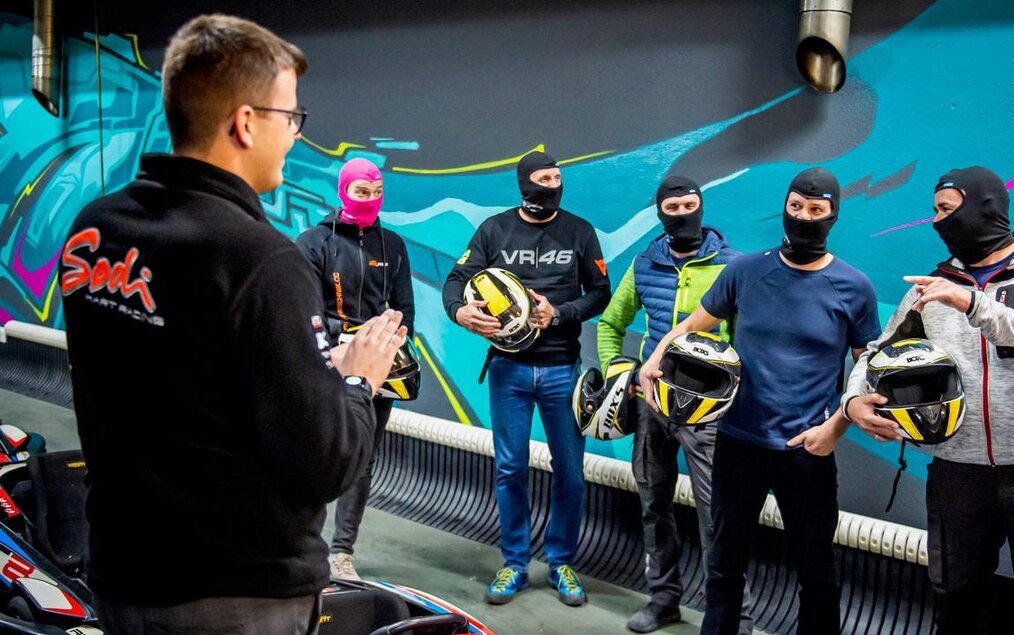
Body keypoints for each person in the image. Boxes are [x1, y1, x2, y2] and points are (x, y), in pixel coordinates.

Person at [59, 15, 405, 635]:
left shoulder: (96, 228)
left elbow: (185, 375)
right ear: (246, 123)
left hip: (121, 573)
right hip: (233, 595)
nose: (295, 136)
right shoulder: (260, 260)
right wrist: (356, 379)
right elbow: (328, 462)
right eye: (291, 118)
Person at [842, 166, 1014, 635]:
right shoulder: (933, 285)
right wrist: (854, 400)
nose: (936, 221)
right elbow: (878, 354)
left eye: (945, 209)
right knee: (956, 599)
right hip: (957, 471)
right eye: (935, 211)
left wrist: (975, 305)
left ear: (986, 206)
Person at [640, 167, 880, 635]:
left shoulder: (854, 287)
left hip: (808, 448)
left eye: (816, 210)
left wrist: (836, 427)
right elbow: (694, 324)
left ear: (832, 216)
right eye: (796, 207)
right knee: (725, 563)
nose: (803, 217)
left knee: (816, 570)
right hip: (738, 441)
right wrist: (657, 357)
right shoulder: (745, 271)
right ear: (785, 208)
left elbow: (865, 368)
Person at [442, 150, 611, 607]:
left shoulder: (580, 231)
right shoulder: (494, 230)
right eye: (543, 178)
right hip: (508, 370)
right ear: (524, 184)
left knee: (571, 473)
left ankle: (561, 563)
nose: (552, 184)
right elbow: (456, 279)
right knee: (510, 468)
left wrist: (559, 313)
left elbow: (600, 294)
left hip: (561, 368)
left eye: (558, 177)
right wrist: (461, 313)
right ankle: (514, 563)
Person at [596, 175, 739, 632]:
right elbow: (609, 325)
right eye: (672, 207)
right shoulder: (644, 265)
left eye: (689, 204)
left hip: (708, 414)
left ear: (702, 205)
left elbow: (745, 341)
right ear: (660, 212)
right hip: (651, 408)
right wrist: (619, 373)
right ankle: (663, 600)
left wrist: (731, 393)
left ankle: (733, 616)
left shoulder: (731, 266)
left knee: (716, 516)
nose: (681, 214)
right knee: (653, 505)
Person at [296, 157, 415, 582]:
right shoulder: (313, 242)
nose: (369, 200)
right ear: (344, 191)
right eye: (361, 192)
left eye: (376, 192)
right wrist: (338, 338)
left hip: (375, 371)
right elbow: (302, 306)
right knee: (310, 451)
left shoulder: (393, 245)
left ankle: (342, 552)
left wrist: (393, 343)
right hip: (323, 362)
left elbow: (405, 310)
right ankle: (300, 540)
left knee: (360, 457)